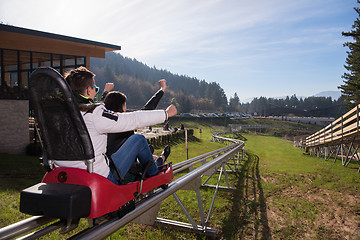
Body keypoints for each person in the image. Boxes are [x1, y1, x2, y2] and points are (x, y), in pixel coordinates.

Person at [54, 66, 177, 185]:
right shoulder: (94, 114)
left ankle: (157, 162)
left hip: (65, 174)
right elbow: (134, 119)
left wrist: (106, 92)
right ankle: (154, 175)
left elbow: (102, 107)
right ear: (88, 90)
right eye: (95, 88)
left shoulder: (58, 115)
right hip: (98, 177)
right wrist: (165, 114)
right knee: (138, 139)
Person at [103, 79, 167, 157]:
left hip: (106, 160)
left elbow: (99, 105)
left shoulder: (102, 118)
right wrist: (162, 89)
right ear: (121, 106)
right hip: (123, 162)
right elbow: (145, 111)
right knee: (142, 143)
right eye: (125, 104)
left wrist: (105, 92)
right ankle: (161, 159)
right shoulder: (123, 121)